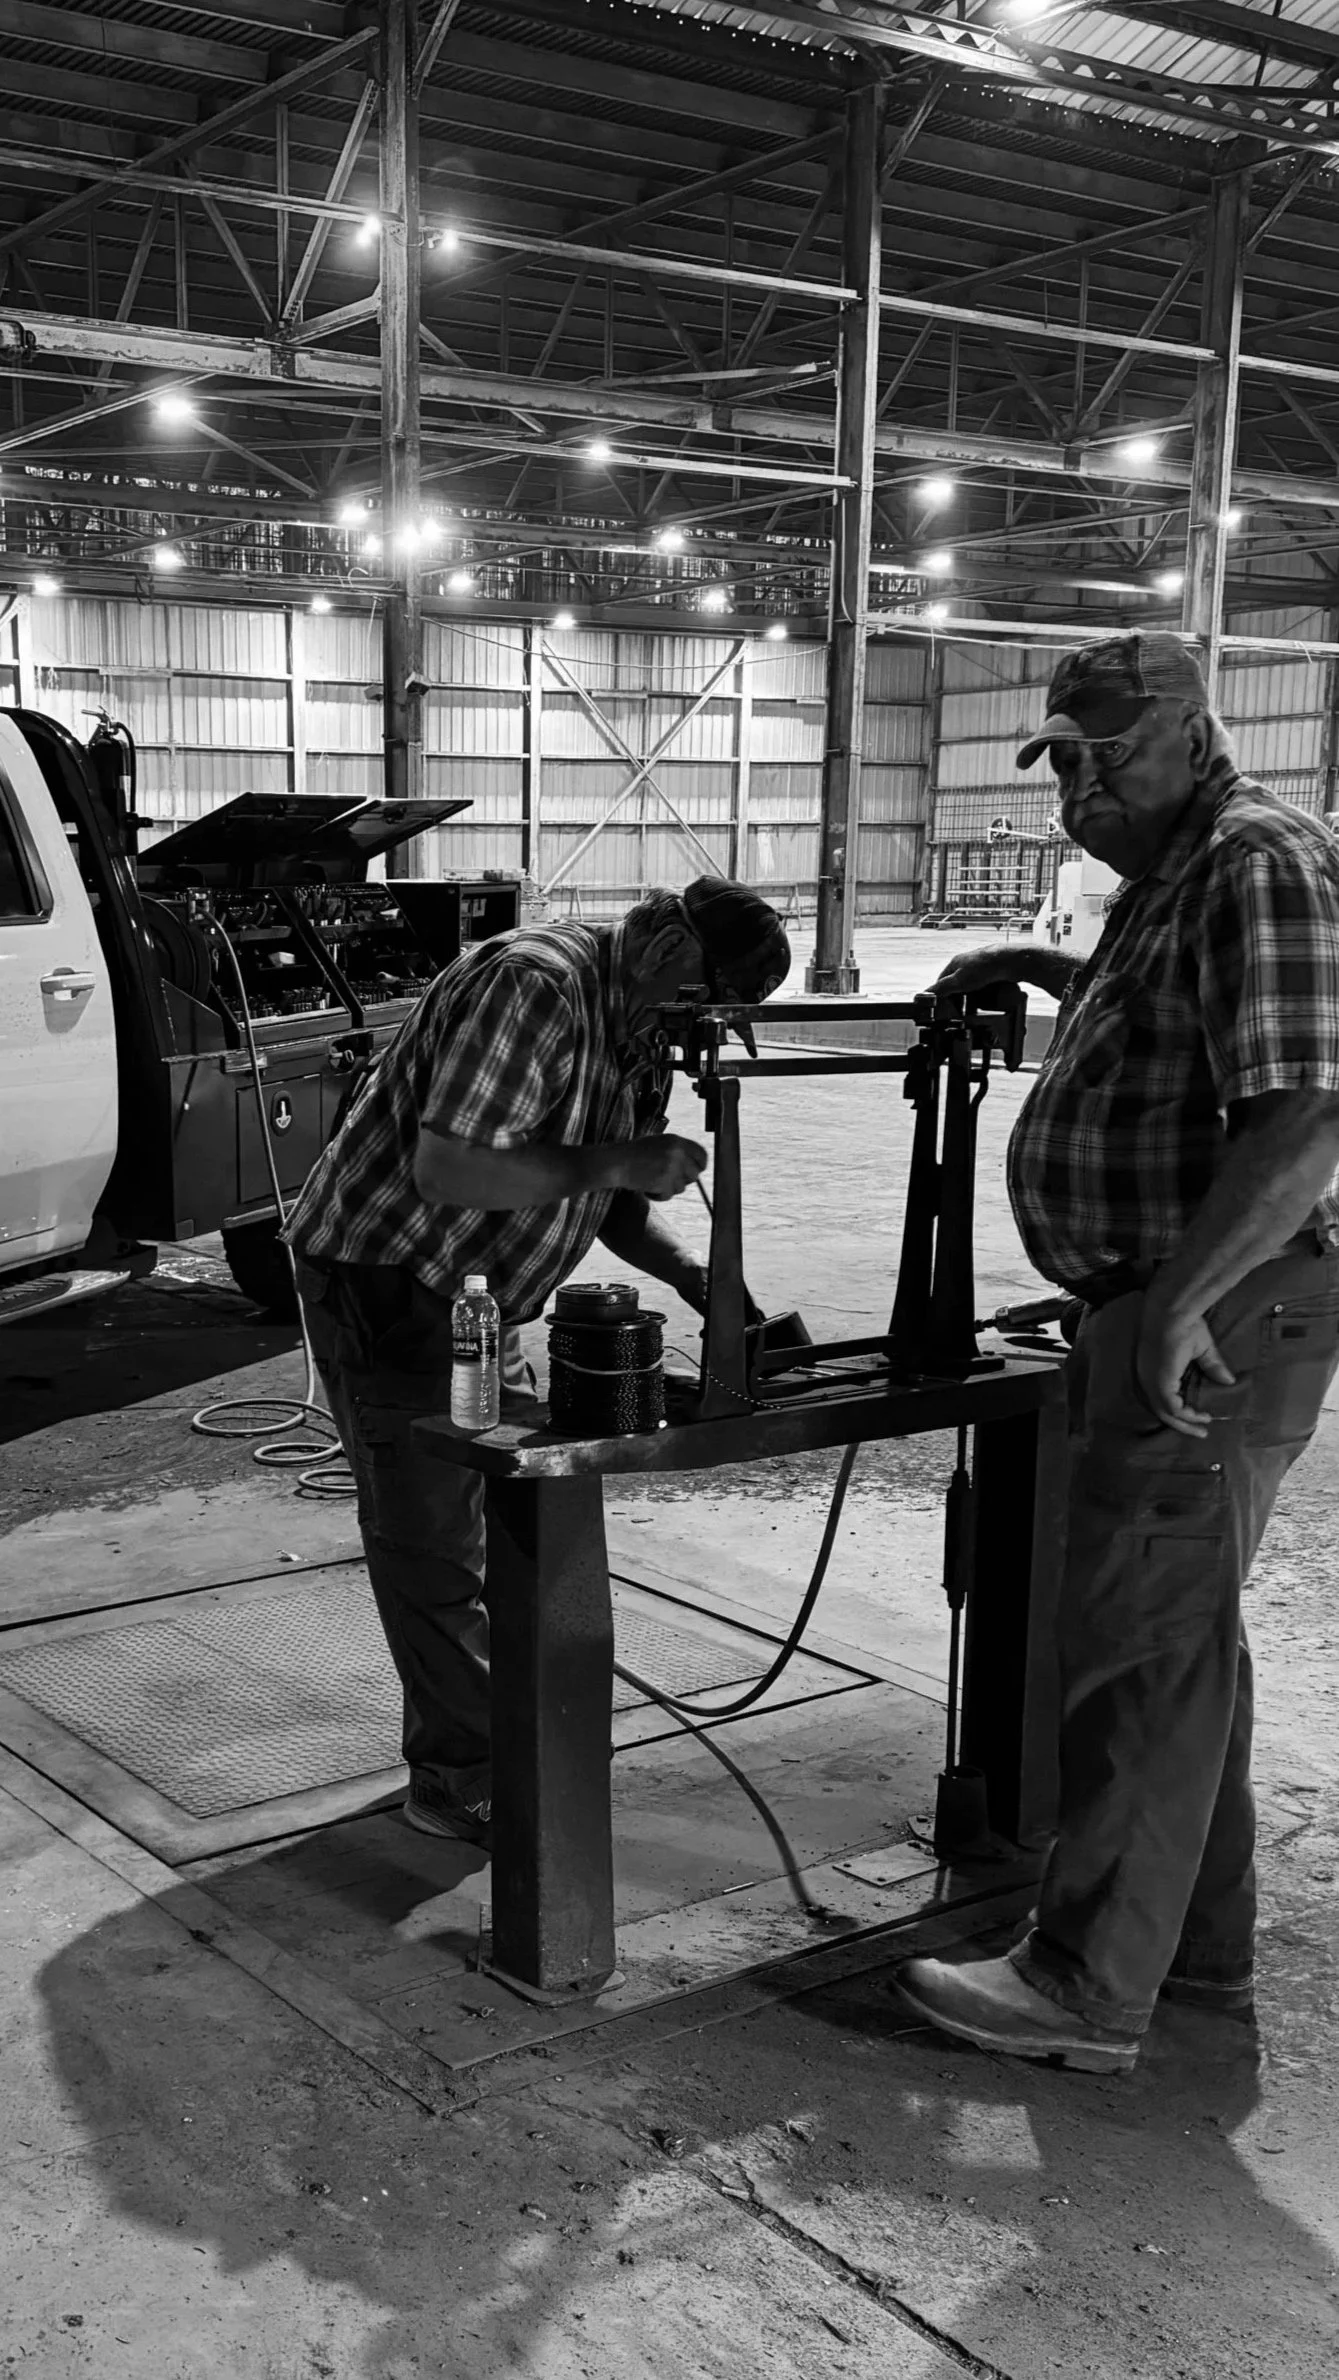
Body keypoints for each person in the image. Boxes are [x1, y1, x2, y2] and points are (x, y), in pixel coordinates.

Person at [897, 630, 1339, 2072]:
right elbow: (1167, 1036)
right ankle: (1189, 1959)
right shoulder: (1170, 876)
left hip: (1201, 1321)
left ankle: (1086, 1985)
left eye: (1098, 761)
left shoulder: (1251, 859)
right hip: (1166, 1306)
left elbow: (1302, 1118)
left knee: (1139, 1658)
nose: (1073, 792)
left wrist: (1175, 1309)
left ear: (1186, 734)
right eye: (1060, 765)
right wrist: (1028, 960)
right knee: (1174, 1645)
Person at [285, 877, 791, 1850]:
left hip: (478, 1296)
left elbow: (610, 1192)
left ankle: (499, 1736)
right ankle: (460, 1776)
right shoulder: (536, 987)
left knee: (523, 1515)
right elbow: (453, 1168)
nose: (691, 1032)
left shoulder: (636, 1022)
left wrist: (702, 1284)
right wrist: (612, 1163)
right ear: (667, 951)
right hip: (391, 1273)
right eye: (698, 1005)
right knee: (431, 1538)